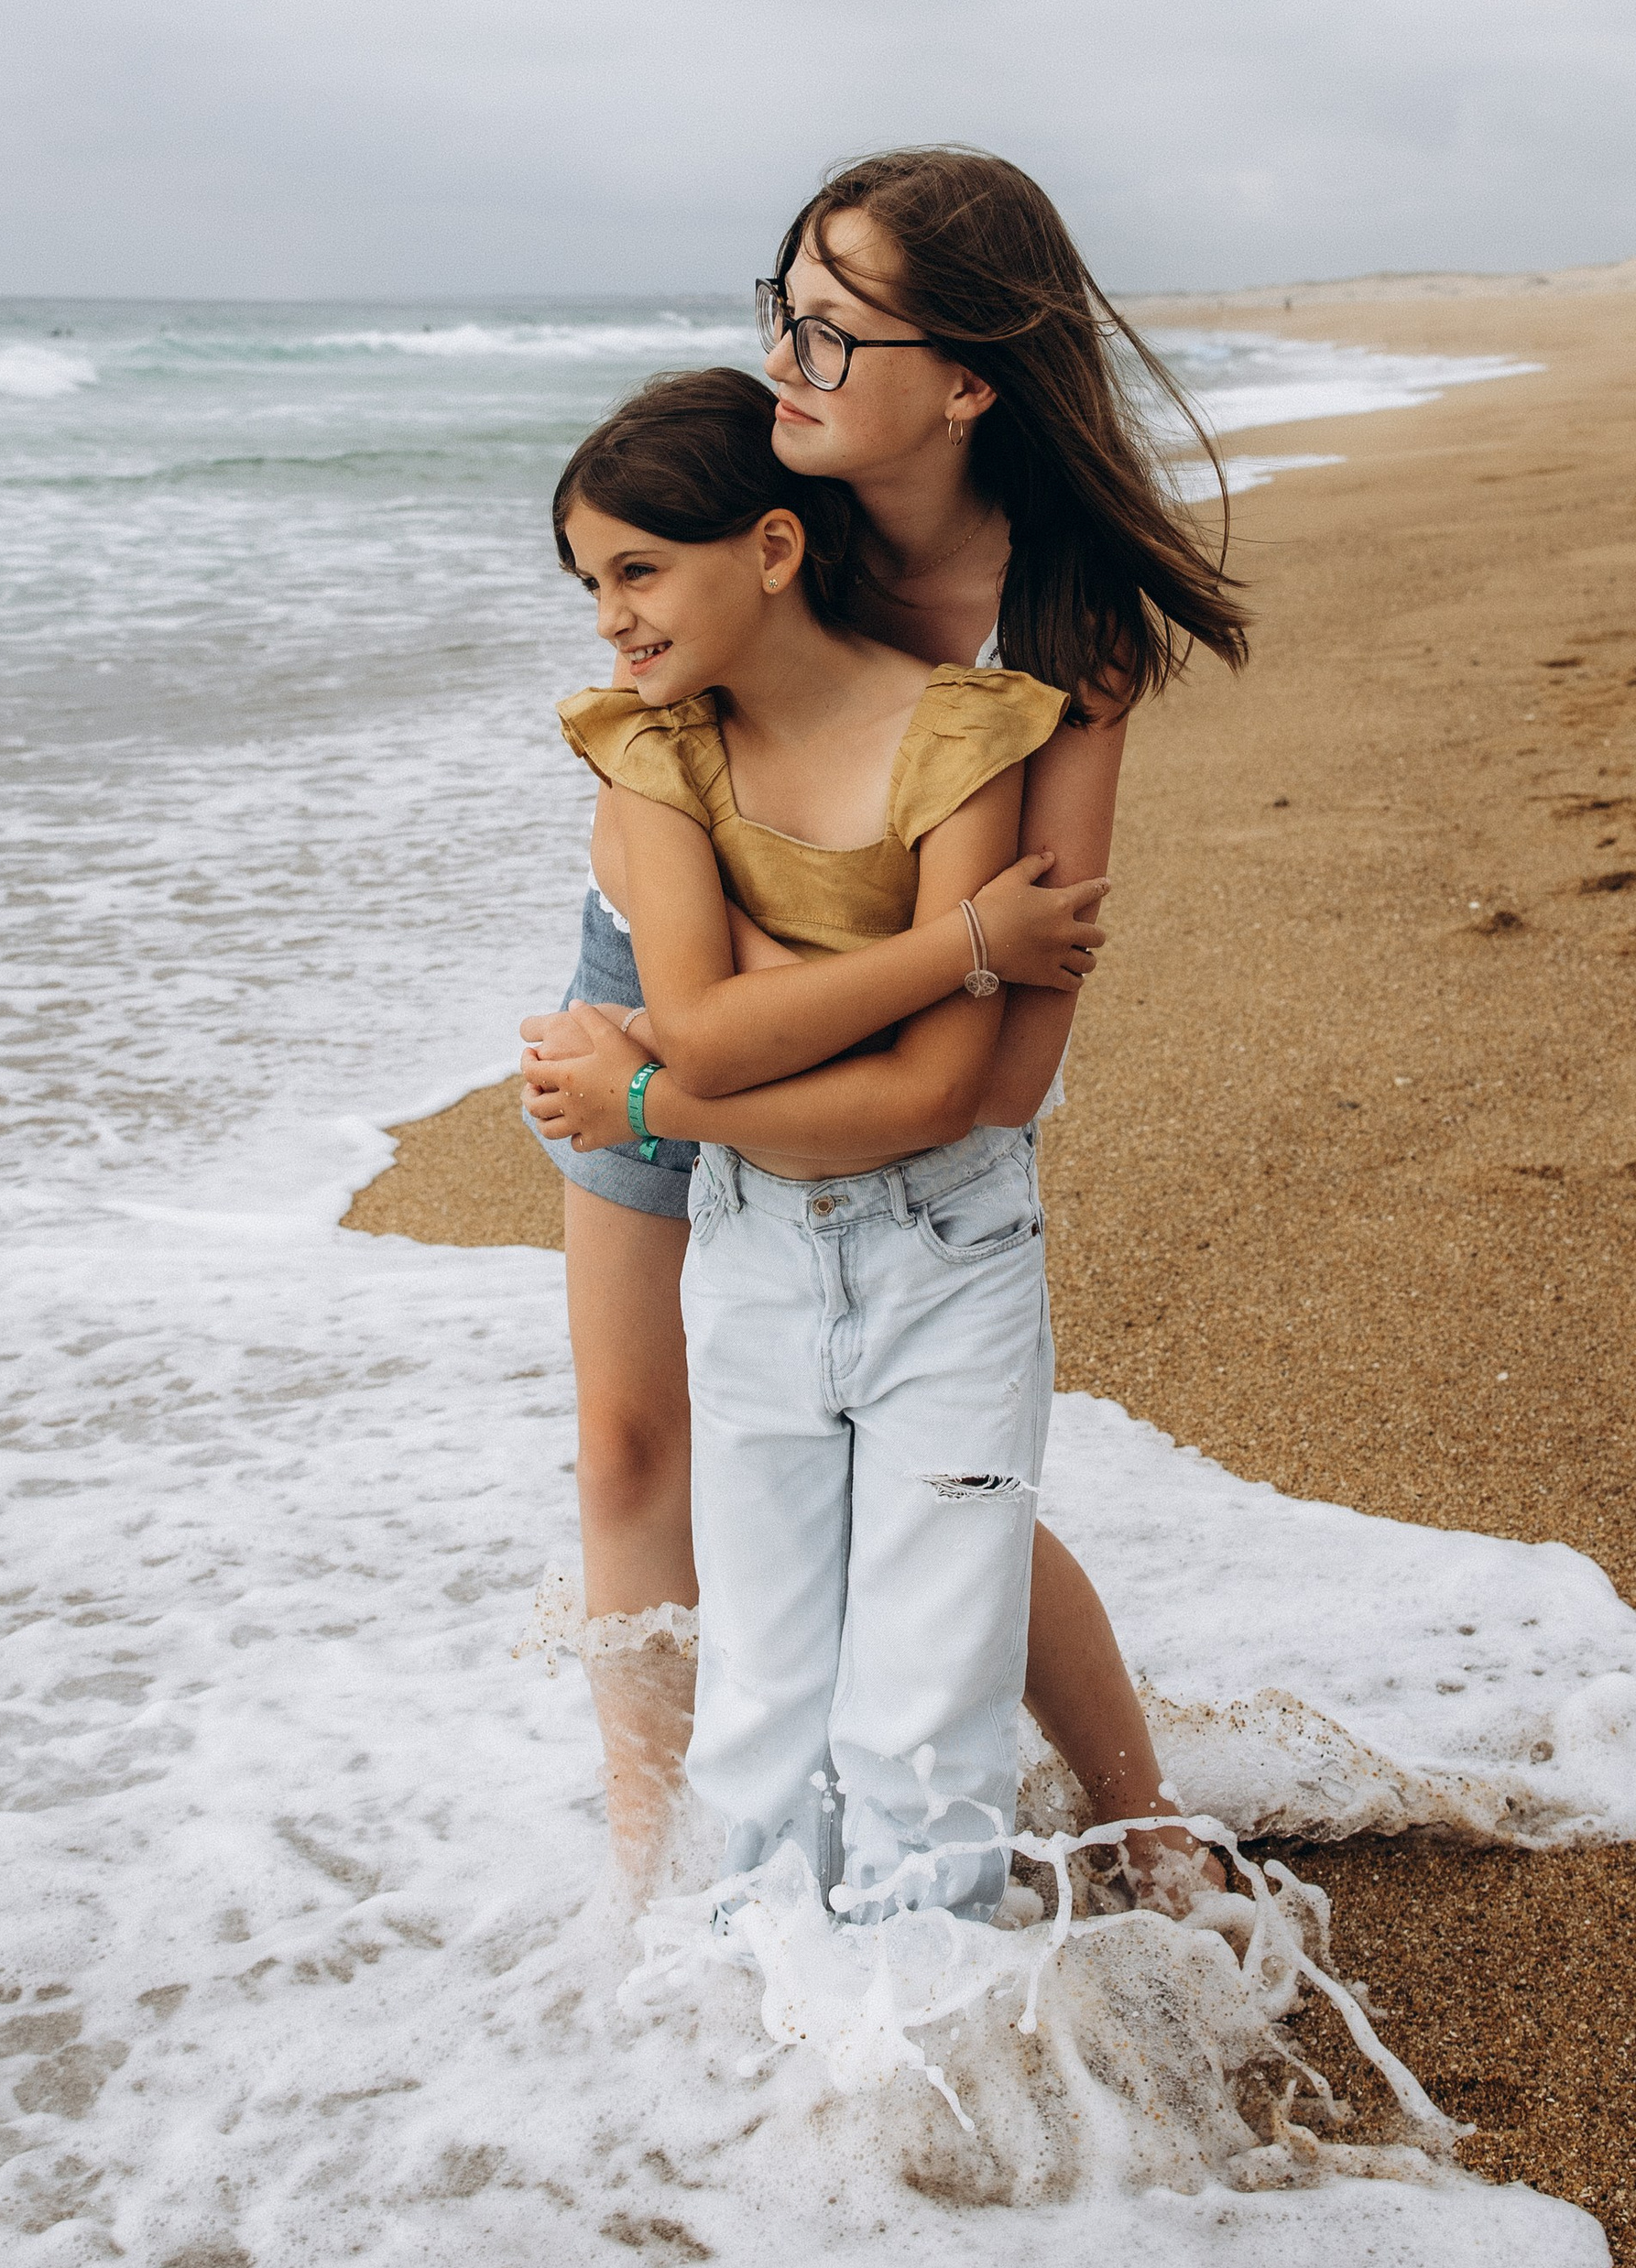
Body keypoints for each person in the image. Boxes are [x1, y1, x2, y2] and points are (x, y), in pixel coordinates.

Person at [525, 145, 1248, 1901]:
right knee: (632, 1436)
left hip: (773, 1047)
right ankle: (658, 1879)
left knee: (928, 1472)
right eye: (787, 308)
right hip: (671, 966)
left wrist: (672, 1085)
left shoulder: (1060, 630)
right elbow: (650, 733)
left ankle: (1141, 1808)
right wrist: (678, 1043)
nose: (789, 360)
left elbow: (996, 1071)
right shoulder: (775, 509)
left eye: (838, 331)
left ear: (971, 381)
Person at [529, 365, 1085, 1918]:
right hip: (754, 1229)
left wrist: (656, 1085)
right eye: (591, 581)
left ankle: (941, 2063)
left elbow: (932, 1094)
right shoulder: (654, 749)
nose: (610, 617)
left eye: (638, 568)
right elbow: (695, 1030)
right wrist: (965, 938)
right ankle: (740, 2055)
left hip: (947, 1235)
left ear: (773, 548)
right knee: (768, 1710)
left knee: (925, 1716)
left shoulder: (963, 731)